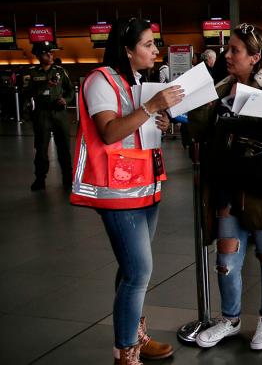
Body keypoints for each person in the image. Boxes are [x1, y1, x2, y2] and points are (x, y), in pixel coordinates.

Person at [70, 18, 184, 365]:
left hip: (145, 186)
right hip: (118, 192)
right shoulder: (99, 81)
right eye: (149, 44)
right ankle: (126, 351)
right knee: (138, 272)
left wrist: (159, 122)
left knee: (131, 268)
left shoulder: (135, 81)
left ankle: (132, 334)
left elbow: (136, 128)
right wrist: (149, 107)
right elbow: (109, 132)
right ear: (127, 49)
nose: (155, 50)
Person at [190, 24, 262, 352]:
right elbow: (201, 130)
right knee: (226, 259)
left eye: (235, 51)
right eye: (228, 49)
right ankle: (229, 319)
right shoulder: (223, 87)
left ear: (255, 57)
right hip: (228, 189)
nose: (227, 55)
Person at [27, 43, 73, 191]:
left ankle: (68, 177)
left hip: (59, 113)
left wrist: (66, 100)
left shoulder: (60, 71)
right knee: (41, 148)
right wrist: (44, 85)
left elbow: (70, 90)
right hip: (42, 114)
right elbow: (26, 93)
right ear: (39, 56)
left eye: (51, 53)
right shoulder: (32, 73)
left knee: (64, 147)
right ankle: (40, 179)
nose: (50, 56)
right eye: (46, 54)